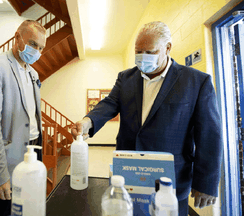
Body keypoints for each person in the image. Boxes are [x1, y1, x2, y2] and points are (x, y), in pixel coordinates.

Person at [71, 21, 223, 216]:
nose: (143, 57)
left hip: (171, 179)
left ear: (167, 48)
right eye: (138, 51)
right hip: (129, 172)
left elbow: (210, 135)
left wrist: (206, 182)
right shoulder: (126, 78)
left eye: (150, 52)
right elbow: (110, 103)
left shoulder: (196, 82)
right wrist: (88, 122)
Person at [0, 20, 46, 216]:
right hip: (7, 160)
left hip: (33, 154)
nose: (36, 51)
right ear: (17, 38)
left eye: (40, 48)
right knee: (5, 212)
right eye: (32, 44)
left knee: (28, 210)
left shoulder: (33, 73)